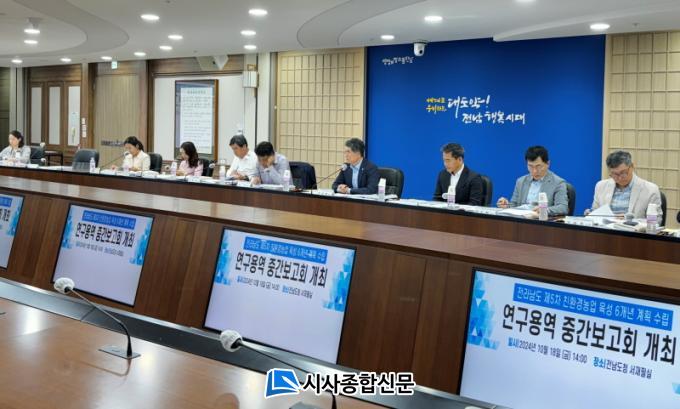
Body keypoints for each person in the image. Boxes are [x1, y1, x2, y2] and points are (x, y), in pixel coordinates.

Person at [497, 145, 569, 216]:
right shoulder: (521, 181)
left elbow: (563, 208)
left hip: (540, 220)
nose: (534, 171)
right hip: (521, 219)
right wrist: (506, 205)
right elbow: (514, 205)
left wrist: (544, 210)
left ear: (548, 164)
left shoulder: (558, 183)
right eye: (530, 166)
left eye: (538, 166)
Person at [588, 150, 662, 219]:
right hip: (606, 228)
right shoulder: (601, 186)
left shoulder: (650, 190)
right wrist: (591, 214)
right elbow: (595, 212)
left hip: (632, 228)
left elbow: (657, 221)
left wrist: (629, 220)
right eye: (615, 174)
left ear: (632, 167)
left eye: (623, 173)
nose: (620, 178)